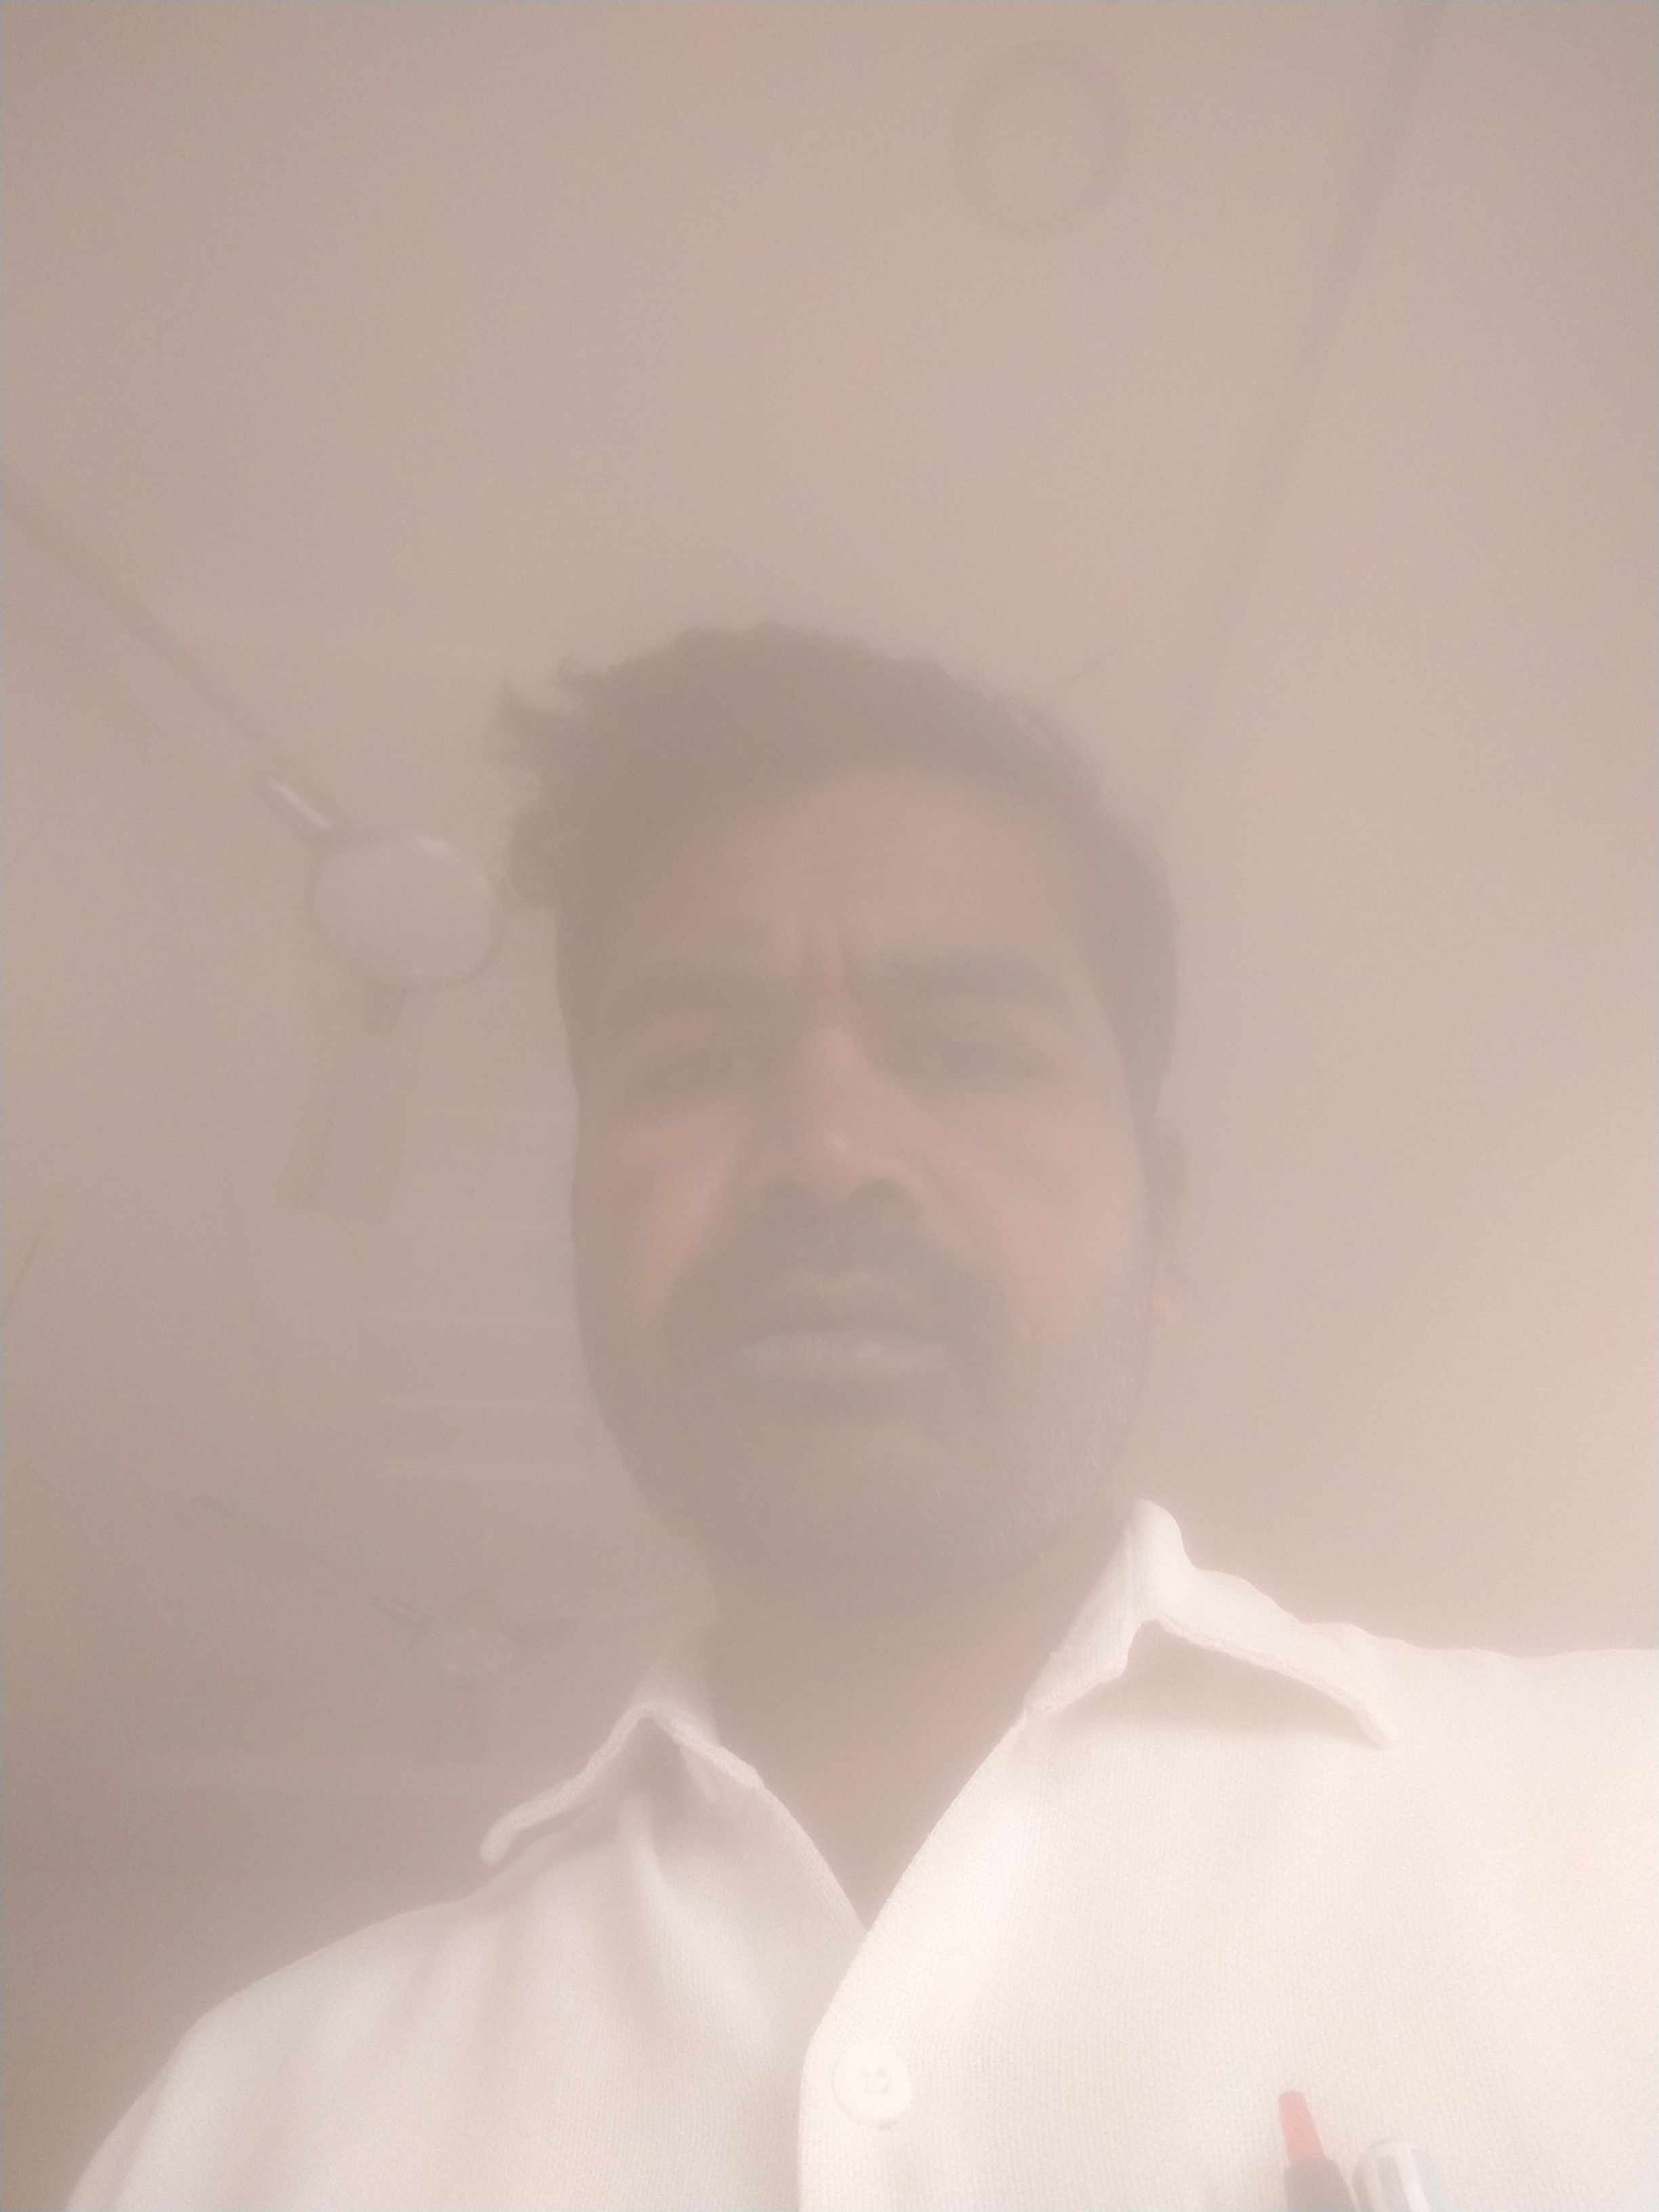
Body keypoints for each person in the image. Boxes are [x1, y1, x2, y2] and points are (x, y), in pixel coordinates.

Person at [71, 628, 1654, 2211]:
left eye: (966, 1052)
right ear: (584, 1230)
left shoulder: (1616, 1822)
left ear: (1161, 1225)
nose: (826, 1151)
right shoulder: (247, 2126)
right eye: (696, 1061)